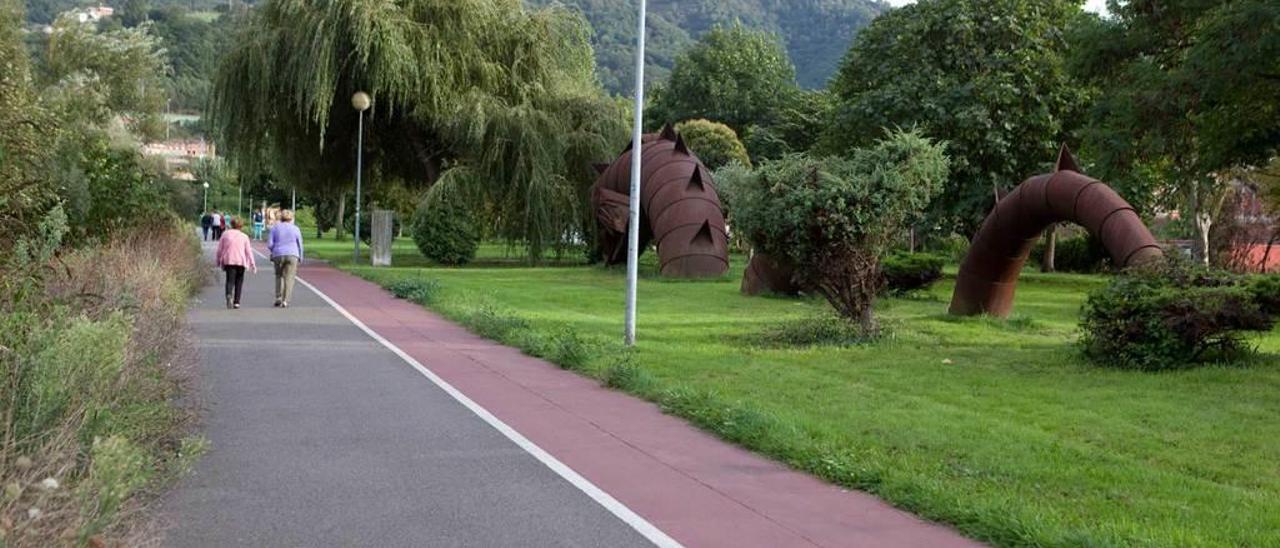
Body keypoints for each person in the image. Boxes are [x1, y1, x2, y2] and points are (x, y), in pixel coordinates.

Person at [215, 217, 257, 309]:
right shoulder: (244, 236)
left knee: (229, 280)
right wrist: (252, 264)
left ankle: (229, 294)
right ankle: (236, 302)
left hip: (229, 261)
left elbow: (219, 250)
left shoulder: (225, 234)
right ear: (241, 226)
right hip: (241, 261)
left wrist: (218, 261)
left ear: (231, 224)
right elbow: (248, 251)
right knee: (239, 281)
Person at [267, 208, 304, 308]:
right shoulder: (296, 229)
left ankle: (278, 296)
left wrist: (273, 250)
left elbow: (270, 244)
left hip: (278, 254)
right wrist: (301, 256)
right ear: (291, 218)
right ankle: (285, 300)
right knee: (289, 278)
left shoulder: (275, 228)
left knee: (279, 276)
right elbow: (300, 244)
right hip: (292, 254)